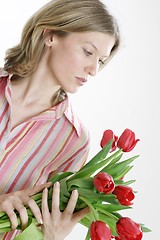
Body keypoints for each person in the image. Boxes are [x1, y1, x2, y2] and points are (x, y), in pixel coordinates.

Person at [0, 0, 120, 239]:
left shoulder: (73, 140)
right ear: (50, 35)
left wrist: (52, 236)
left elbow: (38, 230)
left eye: (101, 61)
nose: (94, 70)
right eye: (88, 52)